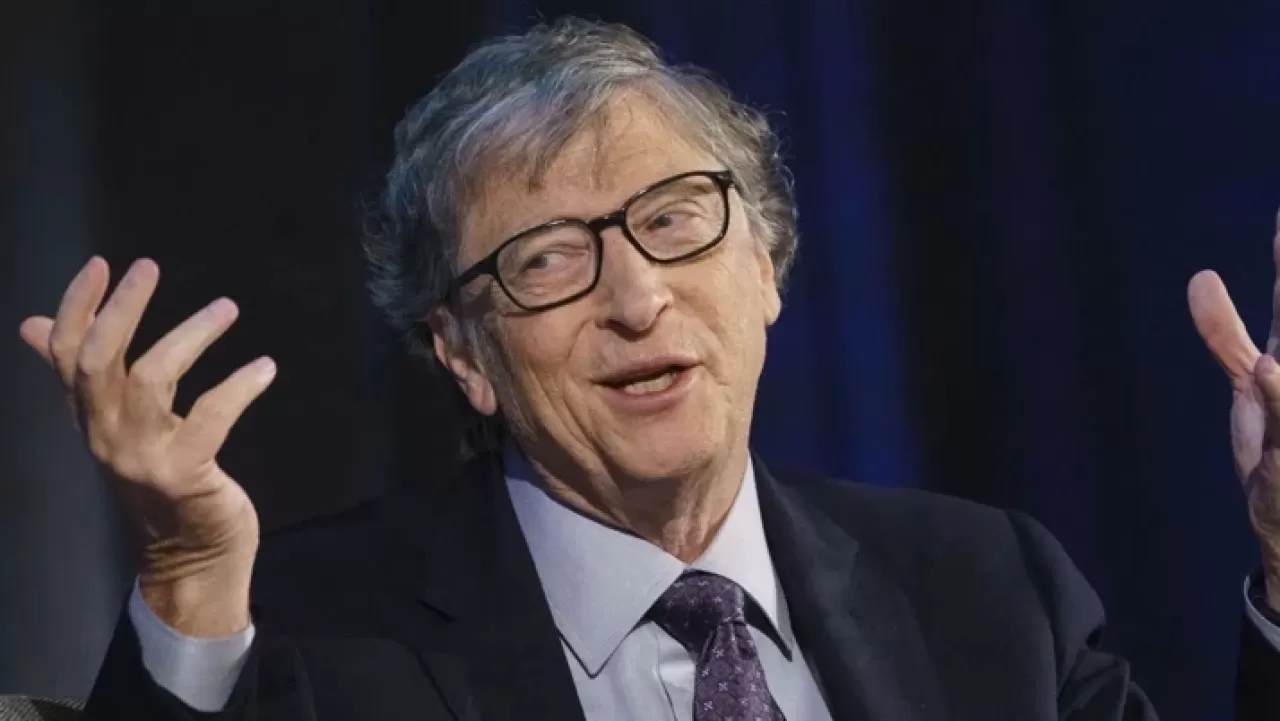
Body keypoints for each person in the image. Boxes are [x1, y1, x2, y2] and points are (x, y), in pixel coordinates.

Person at [16, 17, 1280, 721]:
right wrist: (188, 580)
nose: (634, 299)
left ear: (766, 265)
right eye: (547, 260)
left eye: (675, 219)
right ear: (462, 354)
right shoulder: (309, 635)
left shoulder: (989, 589)